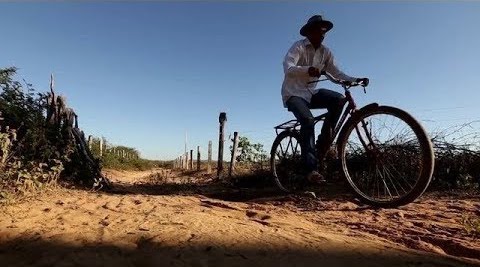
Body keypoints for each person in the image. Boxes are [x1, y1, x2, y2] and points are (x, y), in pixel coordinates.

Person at [281, 15, 369, 183]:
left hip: (310, 94)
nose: (322, 33)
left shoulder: (325, 52)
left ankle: (322, 145)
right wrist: (308, 70)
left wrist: (354, 79)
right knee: (308, 120)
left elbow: (337, 73)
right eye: (318, 29)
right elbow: (288, 67)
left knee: (339, 100)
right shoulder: (299, 46)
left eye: (324, 30)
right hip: (293, 93)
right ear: (309, 32)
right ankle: (311, 170)